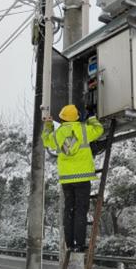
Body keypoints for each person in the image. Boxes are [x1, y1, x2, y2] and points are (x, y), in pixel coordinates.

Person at [42, 104, 103, 252]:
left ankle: (70, 244)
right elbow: (99, 130)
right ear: (77, 117)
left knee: (69, 210)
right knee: (81, 211)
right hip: (82, 177)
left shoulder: (58, 134)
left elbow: (46, 140)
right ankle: (79, 244)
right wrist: (92, 116)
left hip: (67, 179)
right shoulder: (83, 129)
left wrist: (48, 125)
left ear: (62, 118)